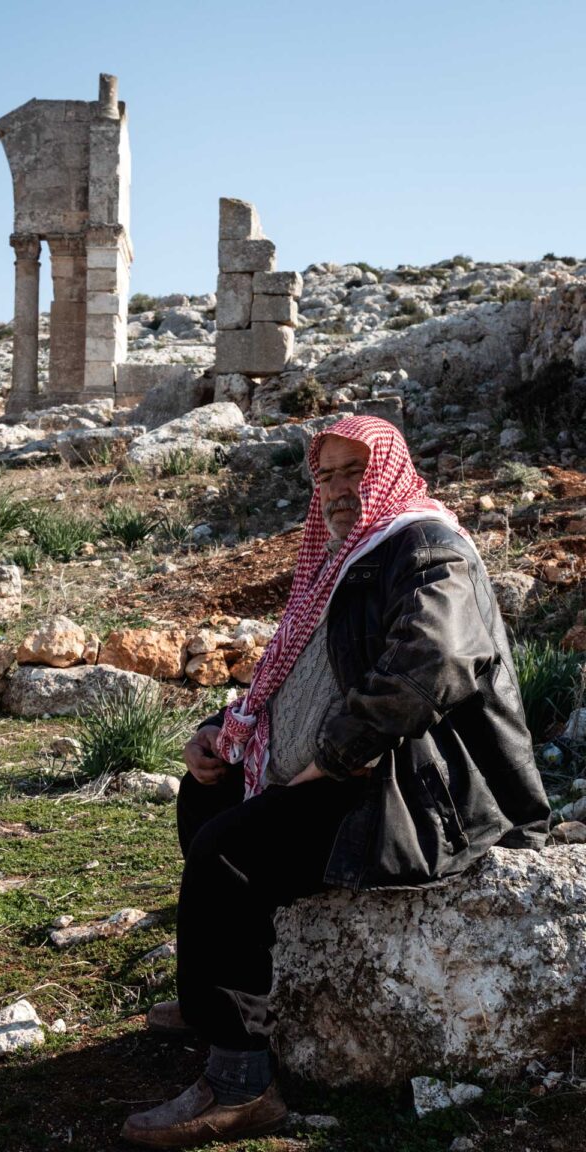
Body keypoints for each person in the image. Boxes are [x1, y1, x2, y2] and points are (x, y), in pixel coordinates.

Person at [121, 415, 550, 1149]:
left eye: (356, 472)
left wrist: (333, 761)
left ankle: (240, 1083)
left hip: (420, 788)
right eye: (326, 476)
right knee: (208, 791)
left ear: (387, 470)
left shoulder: (428, 548)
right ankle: (213, 1001)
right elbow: (314, 671)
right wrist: (228, 728)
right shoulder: (355, 554)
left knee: (228, 852)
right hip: (366, 766)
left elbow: (432, 665)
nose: (340, 489)